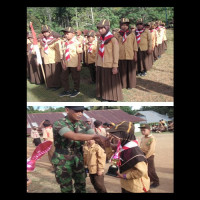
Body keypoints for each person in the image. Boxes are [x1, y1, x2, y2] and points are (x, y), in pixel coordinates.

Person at [51, 106, 107, 193]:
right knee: (66, 187)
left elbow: (95, 136)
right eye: (77, 111)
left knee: (81, 185)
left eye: (82, 111)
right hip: (62, 158)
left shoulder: (83, 124)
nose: (80, 114)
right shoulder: (59, 123)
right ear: (67, 110)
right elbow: (73, 136)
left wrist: (110, 145)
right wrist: (96, 136)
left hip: (78, 157)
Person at [106, 121, 150, 193]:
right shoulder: (122, 147)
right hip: (126, 185)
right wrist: (107, 146)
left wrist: (125, 176)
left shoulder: (134, 152)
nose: (114, 138)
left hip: (136, 187)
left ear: (125, 135)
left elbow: (141, 171)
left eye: (117, 136)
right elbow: (113, 158)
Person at [96, 19, 123, 102]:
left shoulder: (113, 39)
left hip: (109, 64)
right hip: (101, 64)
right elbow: (97, 53)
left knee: (111, 83)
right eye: (99, 28)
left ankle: (113, 97)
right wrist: (96, 63)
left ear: (107, 28)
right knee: (103, 81)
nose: (100, 30)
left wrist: (115, 66)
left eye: (102, 28)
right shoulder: (100, 39)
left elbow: (116, 54)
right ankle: (104, 96)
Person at [59, 27, 83, 98]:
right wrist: (63, 63)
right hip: (66, 63)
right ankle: (66, 90)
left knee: (75, 77)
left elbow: (79, 54)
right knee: (63, 77)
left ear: (73, 34)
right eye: (65, 34)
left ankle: (76, 90)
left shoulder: (77, 42)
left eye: (67, 34)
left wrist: (79, 64)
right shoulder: (64, 43)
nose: (66, 35)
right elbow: (63, 53)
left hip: (74, 63)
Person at [114, 18, 138, 89]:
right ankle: (123, 84)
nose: (124, 26)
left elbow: (135, 45)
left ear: (128, 25)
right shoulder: (117, 35)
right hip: (121, 56)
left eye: (126, 25)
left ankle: (130, 84)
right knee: (122, 71)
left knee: (130, 71)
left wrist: (135, 55)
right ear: (120, 25)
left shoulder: (132, 34)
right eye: (122, 25)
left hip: (130, 55)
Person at [40, 25, 62, 91]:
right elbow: (41, 50)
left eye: (46, 32)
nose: (45, 33)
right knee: (48, 73)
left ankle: (57, 85)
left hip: (54, 59)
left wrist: (60, 59)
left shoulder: (55, 40)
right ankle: (50, 85)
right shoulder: (42, 41)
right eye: (43, 32)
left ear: (50, 32)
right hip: (46, 59)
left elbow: (59, 50)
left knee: (55, 73)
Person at [139, 124, 160, 188]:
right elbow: (141, 147)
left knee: (151, 170)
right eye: (141, 130)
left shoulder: (152, 138)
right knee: (145, 169)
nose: (142, 131)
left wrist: (146, 157)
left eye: (144, 130)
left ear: (149, 130)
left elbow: (151, 150)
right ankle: (150, 179)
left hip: (149, 156)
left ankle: (156, 182)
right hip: (143, 154)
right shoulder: (143, 138)